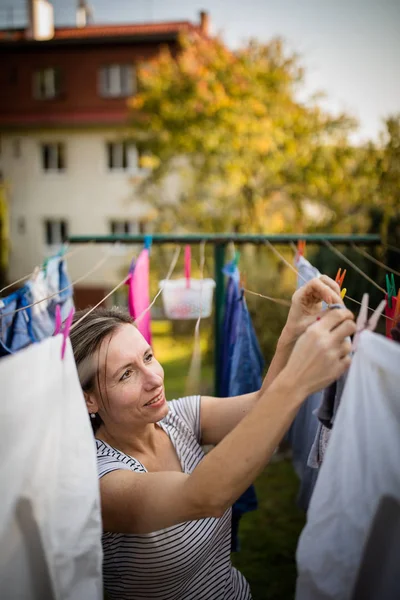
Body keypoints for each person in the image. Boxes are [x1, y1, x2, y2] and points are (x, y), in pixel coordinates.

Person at [70, 275, 355, 600]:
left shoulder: (180, 416)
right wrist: (299, 380)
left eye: (148, 357)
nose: (153, 379)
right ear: (88, 399)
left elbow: (263, 408)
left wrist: (292, 330)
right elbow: (206, 496)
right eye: (126, 374)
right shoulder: (102, 483)